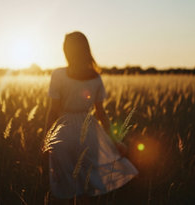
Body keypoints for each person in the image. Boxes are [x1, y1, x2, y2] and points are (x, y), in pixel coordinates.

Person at [44, 31, 138, 202]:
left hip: (62, 131)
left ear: (67, 51)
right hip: (89, 132)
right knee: (89, 178)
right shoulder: (95, 78)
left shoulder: (58, 75)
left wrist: (46, 137)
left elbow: (53, 110)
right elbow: (101, 114)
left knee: (68, 181)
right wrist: (114, 140)